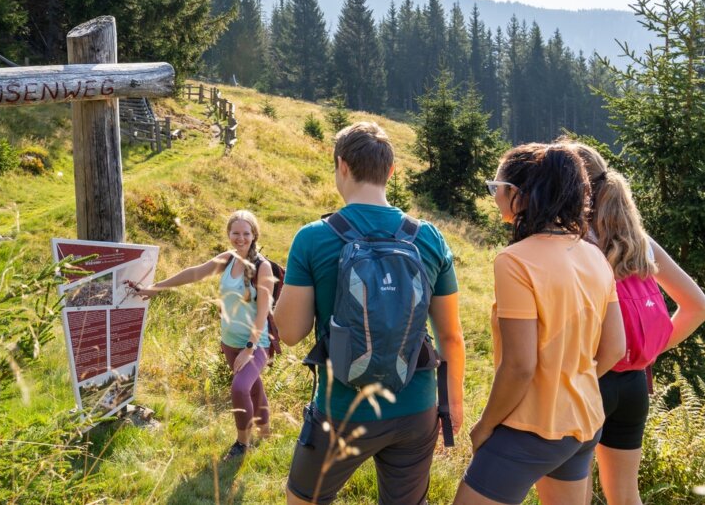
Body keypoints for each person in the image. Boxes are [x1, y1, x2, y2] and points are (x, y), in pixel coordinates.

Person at [275, 121, 466, 505]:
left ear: (341, 166)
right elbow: (451, 337)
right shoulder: (428, 237)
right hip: (415, 406)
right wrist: (452, 404)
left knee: (303, 500)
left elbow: (290, 332)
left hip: (343, 408)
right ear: (390, 171)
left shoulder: (313, 237)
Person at [454, 143, 626, 505]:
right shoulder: (594, 255)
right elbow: (614, 348)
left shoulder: (515, 261)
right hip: (584, 423)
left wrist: (484, 426)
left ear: (517, 195)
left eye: (496, 186)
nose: (494, 194)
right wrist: (570, 384)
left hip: (530, 428)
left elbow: (520, 366)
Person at [565, 142, 705, 505]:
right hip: (633, 383)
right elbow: (698, 306)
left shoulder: (571, 243)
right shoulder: (638, 242)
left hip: (587, 377)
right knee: (626, 496)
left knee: (573, 494)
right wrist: (644, 349)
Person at [132, 209, 273, 461]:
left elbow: (263, 312)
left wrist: (250, 348)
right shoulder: (227, 259)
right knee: (253, 388)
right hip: (229, 342)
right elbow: (194, 273)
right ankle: (265, 432)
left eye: (246, 233)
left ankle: (243, 444)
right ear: (229, 234)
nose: (240, 238)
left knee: (240, 388)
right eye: (235, 233)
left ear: (254, 235)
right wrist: (156, 288)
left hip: (255, 343)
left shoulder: (263, 267)